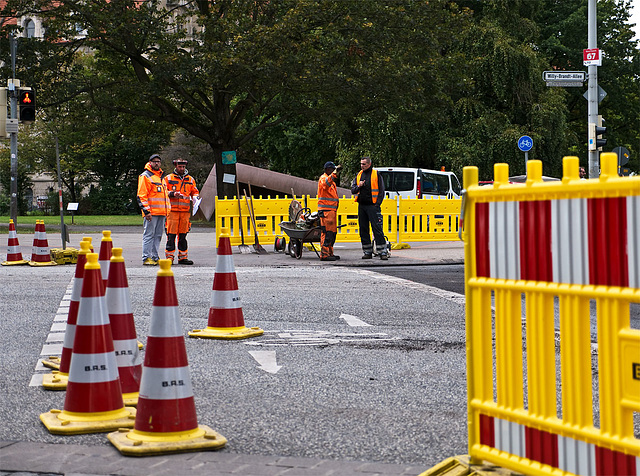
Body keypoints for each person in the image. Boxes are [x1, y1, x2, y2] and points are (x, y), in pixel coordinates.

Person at [163, 158, 200, 265]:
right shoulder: (168, 178)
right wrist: (172, 194)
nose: (182, 168)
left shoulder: (190, 179)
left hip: (185, 212)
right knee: (171, 235)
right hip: (172, 211)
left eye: (183, 167)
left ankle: (183, 257)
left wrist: (196, 198)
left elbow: (195, 192)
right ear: (175, 166)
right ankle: (169, 257)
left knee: (183, 235)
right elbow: (163, 191)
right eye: (180, 166)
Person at [351, 156, 388, 260]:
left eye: (364, 164)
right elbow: (353, 190)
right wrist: (359, 186)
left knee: (377, 229)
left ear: (369, 164)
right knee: (363, 229)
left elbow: (381, 191)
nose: (362, 166)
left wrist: (377, 205)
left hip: (372, 206)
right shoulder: (359, 175)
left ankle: (382, 252)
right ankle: (367, 251)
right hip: (362, 206)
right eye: (361, 164)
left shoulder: (376, 174)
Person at [137, 154, 170, 265]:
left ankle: (154, 256)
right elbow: (141, 195)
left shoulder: (161, 177)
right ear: (150, 162)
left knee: (158, 235)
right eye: (154, 161)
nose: (156, 163)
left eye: (158, 161)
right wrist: (146, 211)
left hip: (161, 212)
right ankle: (146, 257)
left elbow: (163, 194)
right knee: (149, 235)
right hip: (151, 212)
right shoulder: (145, 176)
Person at [317, 161, 342, 261]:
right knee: (326, 233)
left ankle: (330, 253)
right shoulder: (323, 179)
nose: (333, 171)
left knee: (332, 233)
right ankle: (324, 254)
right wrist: (335, 173)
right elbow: (326, 183)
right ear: (327, 169)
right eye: (332, 169)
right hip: (326, 211)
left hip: (331, 211)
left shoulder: (332, 183)